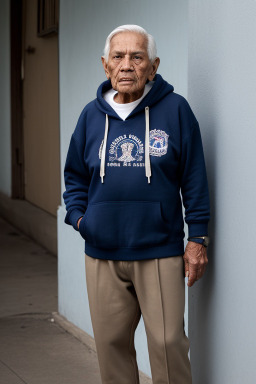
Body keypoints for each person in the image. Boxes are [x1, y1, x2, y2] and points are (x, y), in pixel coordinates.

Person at [63, 24, 210, 384]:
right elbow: (74, 178)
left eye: (137, 57)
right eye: (118, 57)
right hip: (102, 253)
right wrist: (82, 221)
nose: (126, 65)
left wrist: (198, 239)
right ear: (105, 64)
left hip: (158, 251)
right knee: (111, 346)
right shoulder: (90, 116)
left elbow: (194, 179)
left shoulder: (175, 110)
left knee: (167, 344)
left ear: (153, 66)